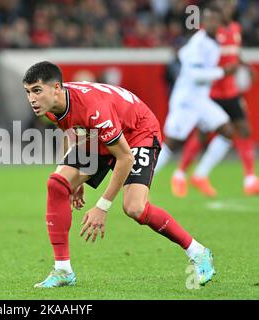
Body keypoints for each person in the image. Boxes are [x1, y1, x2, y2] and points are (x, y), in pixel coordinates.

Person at [22, 61, 215, 288]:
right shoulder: (52, 105)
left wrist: (102, 207)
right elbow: (71, 130)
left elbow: (124, 158)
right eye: (28, 92)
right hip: (98, 135)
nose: (32, 99)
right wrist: (74, 176)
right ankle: (63, 270)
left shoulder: (93, 108)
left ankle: (198, 251)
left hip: (137, 132)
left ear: (56, 88)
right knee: (58, 184)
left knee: (135, 208)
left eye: (37, 91)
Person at [170, 0, 259, 197]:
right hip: (211, 92)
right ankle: (181, 174)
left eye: (231, 6)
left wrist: (245, 65)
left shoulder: (235, 28)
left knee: (243, 129)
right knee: (202, 135)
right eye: (226, 5)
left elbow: (234, 52)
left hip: (230, 91)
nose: (230, 8)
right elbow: (190, 54)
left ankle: (250, 178)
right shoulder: (208, 33)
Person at [153, 6, 237, 197]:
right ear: (203, 23)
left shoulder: (212, 41)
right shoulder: (199, 43)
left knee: (227, 131)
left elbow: (183, 55)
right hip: (187, 99)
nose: (213, 24)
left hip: (201, 100)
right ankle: (139, 178)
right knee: (172, 144)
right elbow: (194, 74)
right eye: (209, 20)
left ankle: (200, 175)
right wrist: (223, 72)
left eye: (216, 20)